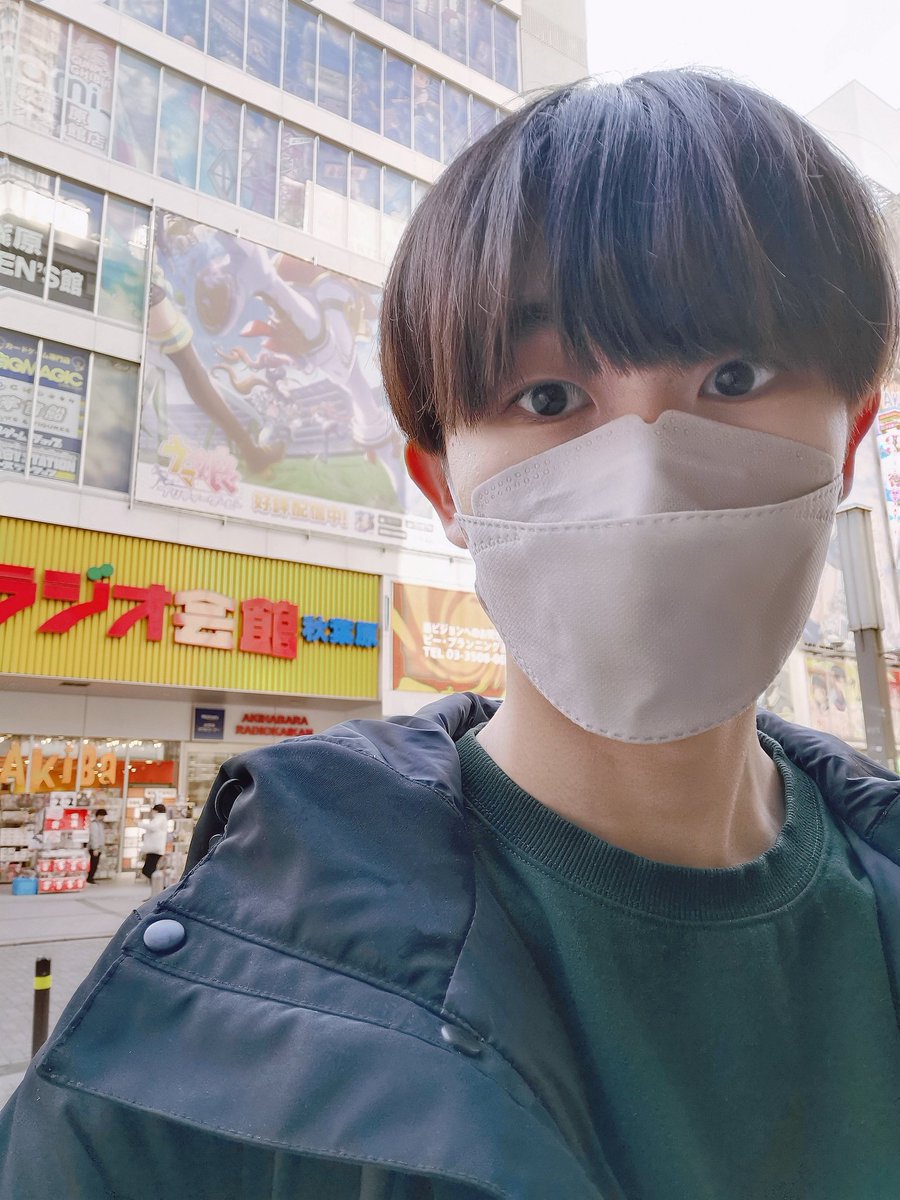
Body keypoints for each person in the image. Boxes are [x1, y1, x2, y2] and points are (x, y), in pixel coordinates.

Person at [3, 70, 900, 1199]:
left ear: (852, 436)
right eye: (548, 398)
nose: (646, 474)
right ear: (442, 487)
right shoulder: (181, 1058)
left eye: (734, 375)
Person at [139, 802, 168, 890]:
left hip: (154, 849)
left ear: (156, 810)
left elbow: (153, 827)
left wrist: (140, 824)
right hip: (155, 848)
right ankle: (159, 888)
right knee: (149, 869)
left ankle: (161, 888)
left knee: (148, 870)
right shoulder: (162, 818)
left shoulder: (160, 818)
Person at [86, 808, 106, 884]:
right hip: (95, 848)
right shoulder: (94, 824)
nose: (103, 817)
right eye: (103, 816)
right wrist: (95, 848)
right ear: (99, 815)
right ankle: (90, 878)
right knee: (93, 864)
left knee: (95, 863)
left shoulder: (99, 824)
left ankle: (91, 877)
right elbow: (94, 837)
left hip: (98, 848)